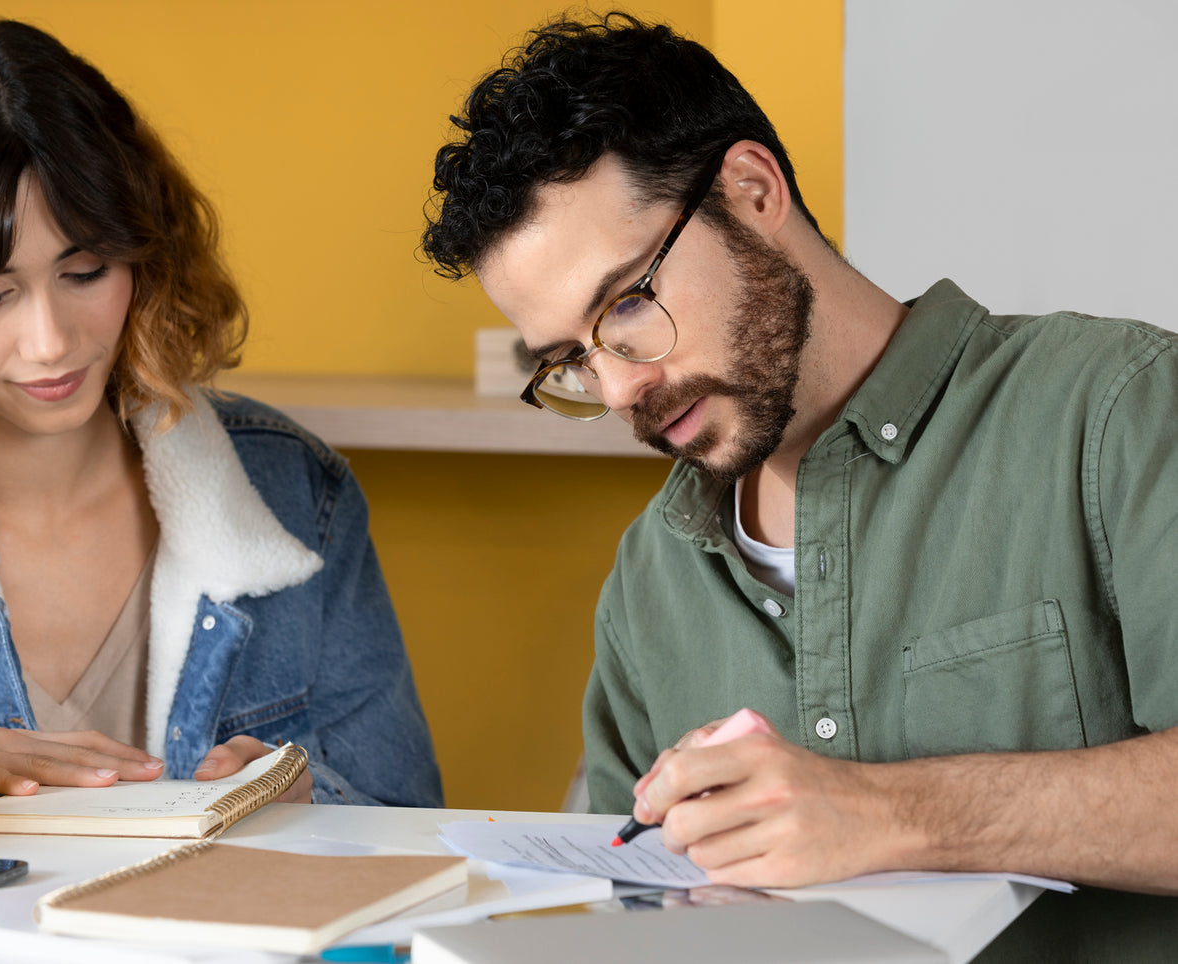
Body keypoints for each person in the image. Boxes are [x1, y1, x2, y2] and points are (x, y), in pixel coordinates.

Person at [421, 11, 1176, 957]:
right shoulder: (652, 575)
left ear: (750, 189)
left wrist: (892, 812)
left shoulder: (1115, 409)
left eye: (625, 304)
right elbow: (627, 917)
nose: (619, 388)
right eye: (569, 360)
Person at [0, 18, 442, 810]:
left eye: (85, 272)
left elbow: (404, 808)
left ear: (146, 255)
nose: (50, 343)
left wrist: (314, 804)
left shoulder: (294, 484)